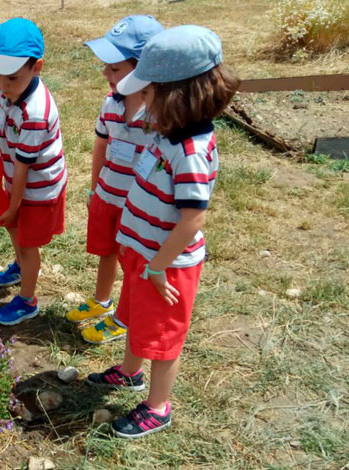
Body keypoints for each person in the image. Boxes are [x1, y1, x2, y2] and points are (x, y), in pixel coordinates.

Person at [85, 25, 239, 438]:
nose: (141, 100)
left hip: (164, 263)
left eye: (148, 92)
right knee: (138, 319)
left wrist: (158, 266)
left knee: (163, 337)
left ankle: (157, 406)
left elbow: (192, 218)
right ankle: (130, 372)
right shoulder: (165, 129)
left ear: (175, 96)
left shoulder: (190, 150)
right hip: (143, 249)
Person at [65, 15, 164, 345]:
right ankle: (101, 300)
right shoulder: (110, 104)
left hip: (138, 209)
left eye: (115, 68)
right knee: (107, 251)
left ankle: (123, 318)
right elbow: (101, 146)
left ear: (144, 68)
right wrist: (96, 188)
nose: (106, 73)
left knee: (133, 264)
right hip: (109, 195)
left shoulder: (159, 116)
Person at [0, 18, 67, 326]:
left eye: (10, 77)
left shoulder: (36, 112)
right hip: (17, 181)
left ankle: (28, 300)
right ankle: (21, 267)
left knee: (27, 240)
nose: (1, 84)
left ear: (37, 68)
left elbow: (24, 167)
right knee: (14, 230)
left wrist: (13, 206)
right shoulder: (5, 91)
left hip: (38, 188)